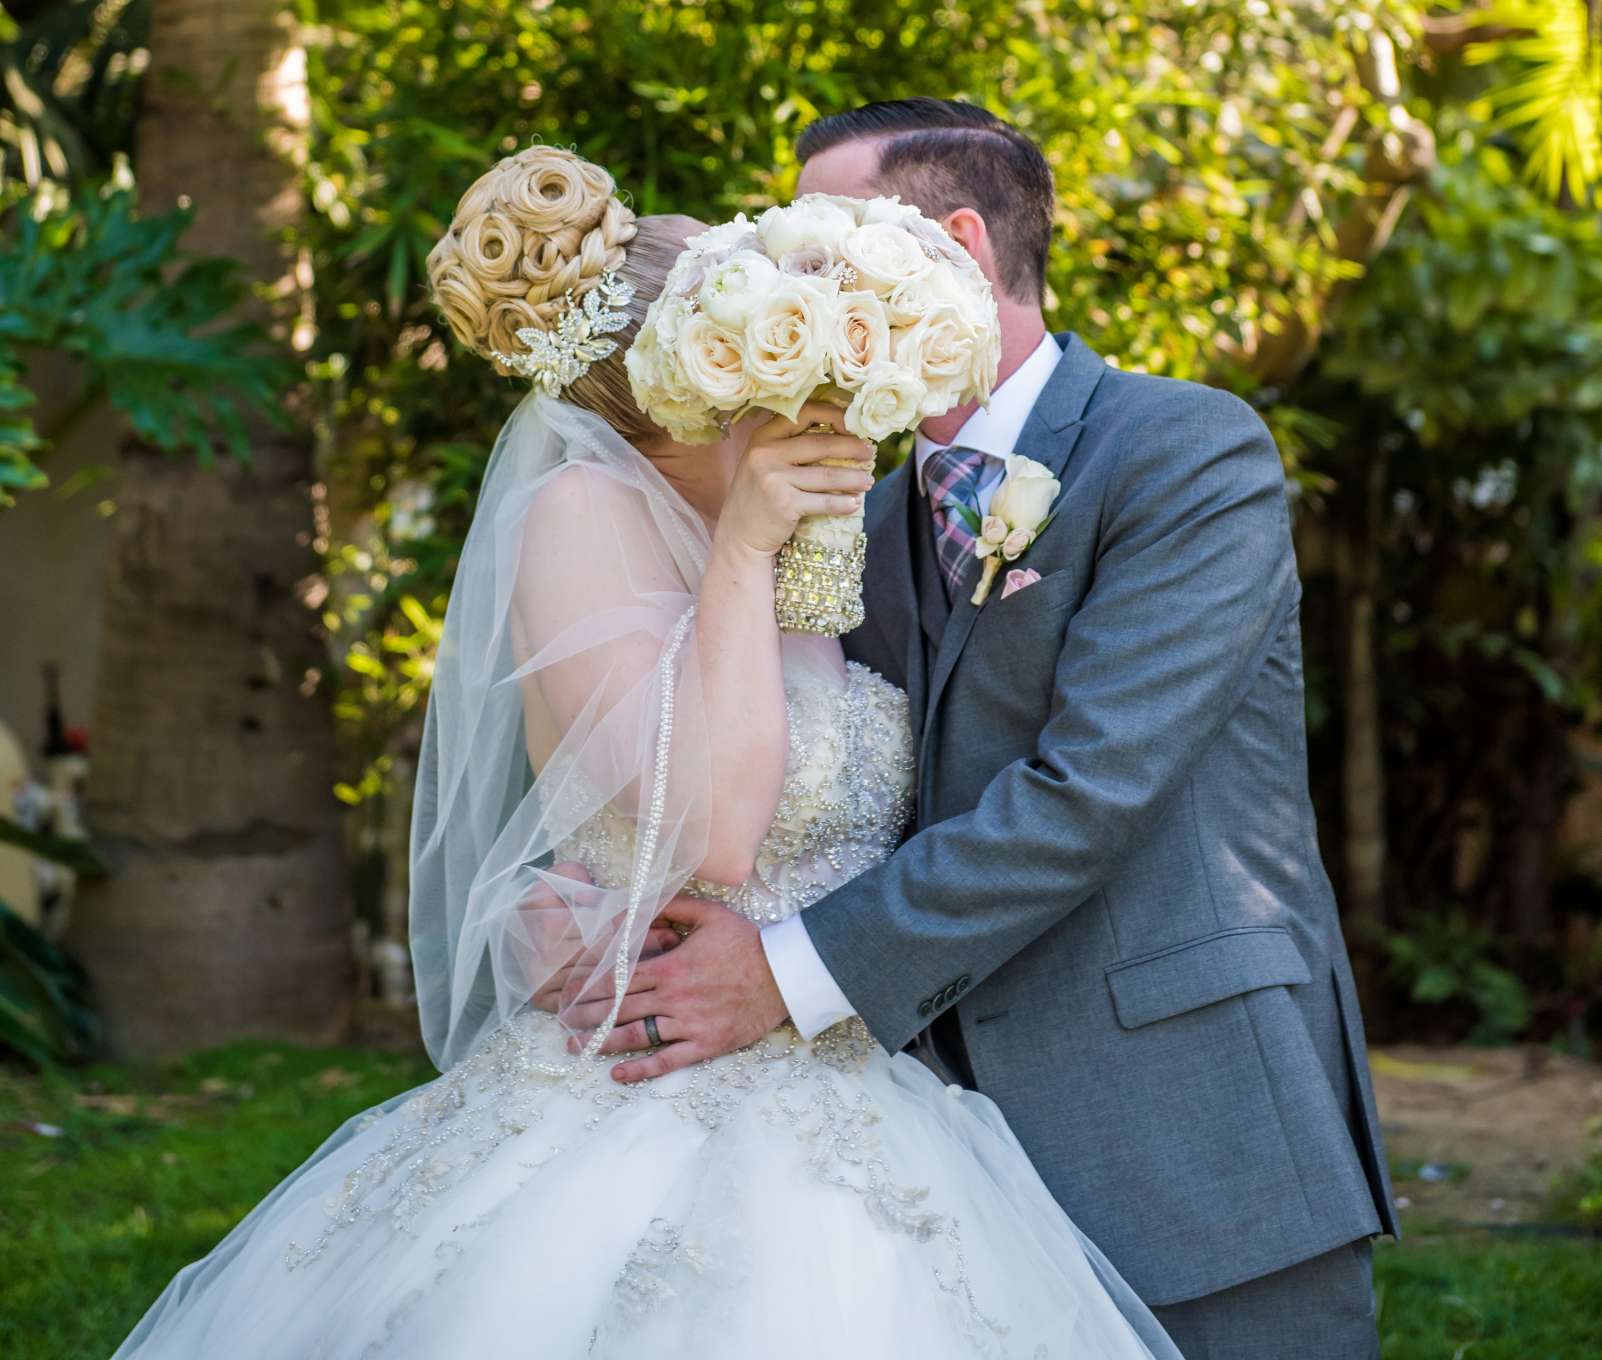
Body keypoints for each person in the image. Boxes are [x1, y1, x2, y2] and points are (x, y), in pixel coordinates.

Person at [110, 141, 1179, 1360]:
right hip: (652, 1081)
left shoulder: (822, 534)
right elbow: (716, 831)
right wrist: (739, 562)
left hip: (839, 1066)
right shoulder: (583, 517)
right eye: (766, 353)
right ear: (679, 390)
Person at [578, 101, 1399, 1360]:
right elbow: (774, 764)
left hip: (1187, 1129)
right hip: (937, 1169)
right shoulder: (857, 512)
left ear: (955, 249)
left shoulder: (1185, 452)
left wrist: (784, 974)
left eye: (820, 250)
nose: (781, 294)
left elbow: (1088, 794)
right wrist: (579, 894)